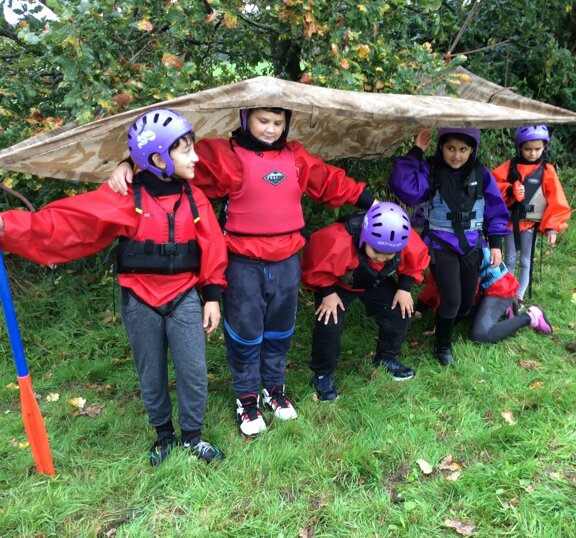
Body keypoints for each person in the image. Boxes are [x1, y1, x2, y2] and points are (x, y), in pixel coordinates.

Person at [108, 107, 377, 438]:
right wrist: (129, 164)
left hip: (286, 262)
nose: (271, 129)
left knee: (279, 332)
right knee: (245, 334)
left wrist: (371, 203)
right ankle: (247, 398)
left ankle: (274, 389)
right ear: (246, 118)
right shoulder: (227, 156)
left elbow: (330, 181)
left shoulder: (295, 157)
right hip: (243, 262)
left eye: (278, 123)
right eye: (263, 121)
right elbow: (169, 156)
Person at [0, 109, 227, 466]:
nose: (195, 157)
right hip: (140, 299)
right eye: (186, 151)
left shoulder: (195, 198)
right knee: (151, 372)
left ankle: (192, 437)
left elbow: (213, 246)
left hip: (183, 295)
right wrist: (7, 227)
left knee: (194, 371)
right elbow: (64, 224)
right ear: (158, 159)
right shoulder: (125, 198)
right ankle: (164, 435)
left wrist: (211, 296)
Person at [389, 127, 510, 366]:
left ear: (472, 150)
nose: (456, 155)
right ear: (441, 147)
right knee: (452, 300)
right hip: (440, 243)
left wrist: (496, 243)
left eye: (463, 149)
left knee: (465, 303)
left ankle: (445, 322)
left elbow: (495, 209)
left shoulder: (481, 174)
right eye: (450, 148)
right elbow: (403, 186)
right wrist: (416, 152)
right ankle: (442, 346)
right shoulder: (432, 170)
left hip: (472, 245)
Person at [301, 202, 430, 400]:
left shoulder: (403, 237)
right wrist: (327, 292)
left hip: (375, 281)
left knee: (399, 310)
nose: (381, 258)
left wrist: (404, 288)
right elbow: (315, 264)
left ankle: (386, 358)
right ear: (364, 236)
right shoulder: (338, 239)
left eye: (389, 255)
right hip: (337, 284)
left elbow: (415, 259)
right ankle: (322, 373)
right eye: (376, 251)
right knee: (329, 322)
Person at [492, 125, 571, 308]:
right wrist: (510, 190)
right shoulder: (509, 167)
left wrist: (553, 227)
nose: (533, 153)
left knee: (526, 261)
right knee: (510, 259)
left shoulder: (546, 170)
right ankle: (506, 294)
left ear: (544, 148)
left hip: (530, 226)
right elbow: (493, 186)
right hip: (511, 223)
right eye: (528, 149)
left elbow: (557, 198)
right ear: (519, 147)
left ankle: (518, 296)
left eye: (537, 149)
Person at [417, 247, 553, 342]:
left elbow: (465, 296)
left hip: (500, 289)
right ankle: (506, 308)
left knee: (481, 335)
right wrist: (421, 305)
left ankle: (531, 316)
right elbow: (435, 283)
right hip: (487, 288)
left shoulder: (452, 253)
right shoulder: (442, 248)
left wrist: (444, 325)